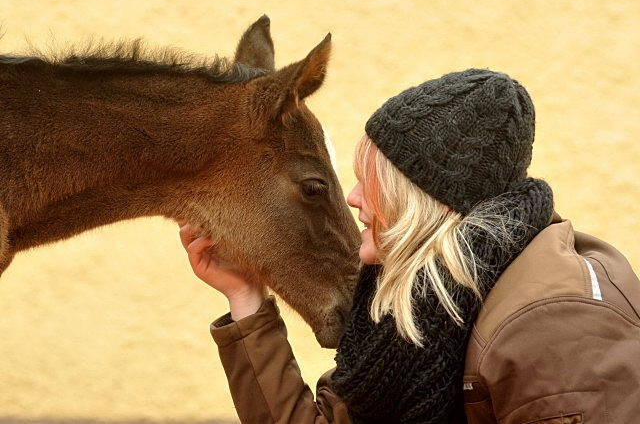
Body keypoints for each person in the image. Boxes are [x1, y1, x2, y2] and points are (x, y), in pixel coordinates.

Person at [178, 69, 640, 424]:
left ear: (423, 201)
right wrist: (246, 297)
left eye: (371, 181)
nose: (353, 198)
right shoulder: (414, 298)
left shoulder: (555, 321)